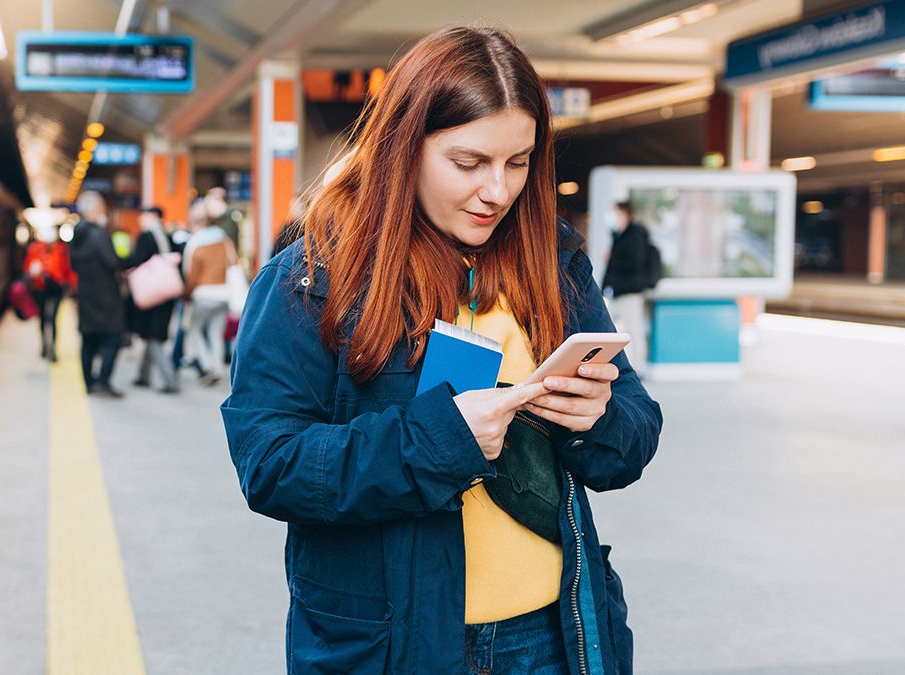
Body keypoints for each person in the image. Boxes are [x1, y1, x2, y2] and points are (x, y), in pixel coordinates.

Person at [221, 26, 662, 674]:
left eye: (519, 163)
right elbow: (270, 462)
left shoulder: (552, 260)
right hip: (399, 645)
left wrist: (600, 416)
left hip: (555, 631)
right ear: (404, 148)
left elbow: (635, 426)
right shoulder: (312, 277)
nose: (498, 191)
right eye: (468, 162)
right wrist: (438, 440)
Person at [69, 191, 126, 398]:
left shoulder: (77, 235)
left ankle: (88, 382)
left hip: (85, 293)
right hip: (105, 296)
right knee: (114, 337)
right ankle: (103, 380)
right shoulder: (99, 234)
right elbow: (113, 262)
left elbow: (73, 264)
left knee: (88, 339)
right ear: (95, 210)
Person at [120, 206, 179, 393]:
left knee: (153, 336)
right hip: (167, 292)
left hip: (152, 293)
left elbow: (136, 260)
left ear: (153, 217)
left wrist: (118, 264)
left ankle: (170, 380)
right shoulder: (169, 236)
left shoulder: (146, 236)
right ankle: (143, 375)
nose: (141, 220)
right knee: (151, 334)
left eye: (143, 216)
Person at [182, 201, 233, 386]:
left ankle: (207, 366)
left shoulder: (197, 243)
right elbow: (233, 264)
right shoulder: (225, 242)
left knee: (195, 331)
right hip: (223, 294)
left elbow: (191, 274)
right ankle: (218, 369)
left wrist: (186, 294)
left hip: (203, 294)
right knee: (215, 333)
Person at [602, 200, 654, 376]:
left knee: (634, 329)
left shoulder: (635, 234)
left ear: (623, 213)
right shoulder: (618, 234)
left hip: (631, 291)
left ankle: (639, 368)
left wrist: (614, 258)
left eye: (615, 212)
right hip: (617, 291)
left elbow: (635, 262)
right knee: (609, 329)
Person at [23, 225, 74, 362]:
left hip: (56, 288)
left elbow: (67, 268)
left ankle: (53, 349)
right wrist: (33, 271)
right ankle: (44, 345)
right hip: (39, 288)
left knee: (53, 319)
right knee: (43, 318)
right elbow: (27, 266)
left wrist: (70, 284)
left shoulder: (62, 249)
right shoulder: (35, 248)